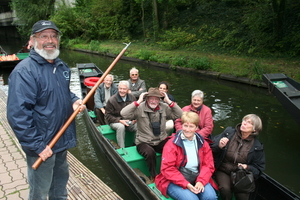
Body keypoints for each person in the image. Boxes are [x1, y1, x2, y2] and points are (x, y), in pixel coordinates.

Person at [6, 20, 86, 200]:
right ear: (33, 40)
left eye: (53, 36)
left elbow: (64, 93)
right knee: (40, 193)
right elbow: (17, 114)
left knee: (59, 188)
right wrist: (37, 145)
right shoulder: (24, 72)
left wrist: (73, 101)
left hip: (61, 139)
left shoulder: (62, 66)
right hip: (42, 145)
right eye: (44, 36)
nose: (50, 40)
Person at [120, 87, 183, 179]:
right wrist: (139, 100)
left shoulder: (164, 107)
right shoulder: (140, 107)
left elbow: (180, 114)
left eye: (156, 99)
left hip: (160, 139)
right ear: (147, 98)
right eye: (151, 98)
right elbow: (123, 113)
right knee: (150, 152)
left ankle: (172, 172)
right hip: (143, 141)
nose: (153, 101)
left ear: (159, 100)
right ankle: (154, 176)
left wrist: (169, 101)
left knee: (173, 147)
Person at [155, 111, 217, 200]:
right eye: (185, 126)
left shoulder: (203, 143)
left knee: (211, 197)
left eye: (191, 126)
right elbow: (167, 169)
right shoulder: (171, 144)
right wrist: (186, 184)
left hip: (197, 176)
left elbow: (208, 165)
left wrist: (201, 181)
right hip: (174, 180)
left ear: (196, 128)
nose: (187, 130)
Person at [210, 114, 265, 200]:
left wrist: (247, 167)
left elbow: (259, 169)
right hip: (223, 169)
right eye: (244, 120)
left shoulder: (257, 146)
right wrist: (220, 146)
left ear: (254, 129)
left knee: (243, 196)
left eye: (249, 122)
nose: (244, 123)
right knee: (225, 190)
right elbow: (211, 148)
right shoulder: (229, 132)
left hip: (240, 174)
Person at [105, 80, 137, 148]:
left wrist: (135, 119)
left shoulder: (132, 98)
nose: (122, 91)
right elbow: (107, 116)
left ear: (128, 90)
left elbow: (136, 111)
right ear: (118, 89)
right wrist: (119, 120)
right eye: (120, 88)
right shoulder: (112, 100)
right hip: (115, 121)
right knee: (121, 127)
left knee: (139, 126)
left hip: (129, 121)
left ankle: (135, 144)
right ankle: (122, 148)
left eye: (124, 89)